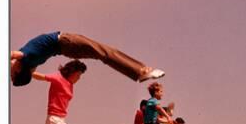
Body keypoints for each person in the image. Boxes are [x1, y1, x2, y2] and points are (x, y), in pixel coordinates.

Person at [11, 31, 164, 86]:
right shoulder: (27, 57)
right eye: (11, 73)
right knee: (105, 52)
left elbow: (27, 73)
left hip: (67, 46)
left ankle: (139, 72)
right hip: (67, 42)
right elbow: (12, 56)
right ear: (19, 70)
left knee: (104, 53)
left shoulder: (31, 64)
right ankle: (141, 71)